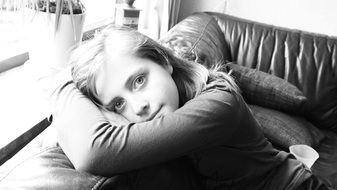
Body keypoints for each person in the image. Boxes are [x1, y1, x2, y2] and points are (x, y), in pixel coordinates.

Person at [50, 25, 332, 190]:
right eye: (118, 103)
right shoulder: (169, 110)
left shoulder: (219, 102)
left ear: (164, 62)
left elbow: (95, 152)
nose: (140, 107)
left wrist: (62, 82)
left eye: (139, 80)